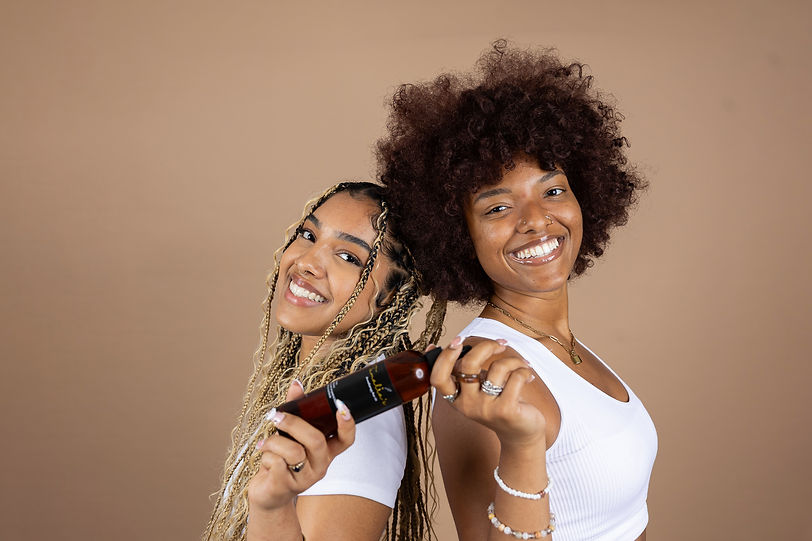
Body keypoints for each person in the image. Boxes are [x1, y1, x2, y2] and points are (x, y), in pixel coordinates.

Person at [378, 41, 657, 540]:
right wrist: (523, 446)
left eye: (552, 191)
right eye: (498, 208)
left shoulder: (563, 346)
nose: (536, 221)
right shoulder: (482, 375)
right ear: (459, 235)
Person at [204, 182, 444, 541]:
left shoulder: (357, 424)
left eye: (348, 257)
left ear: (389, 296)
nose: (306, 262)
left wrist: (271, 507)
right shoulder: (316, 387)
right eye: (308, 234)